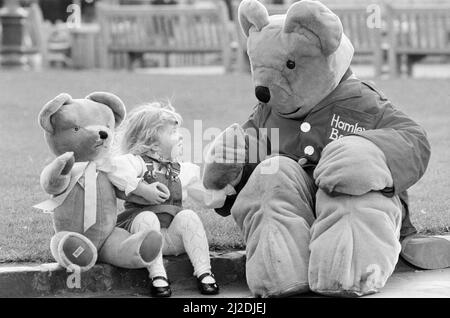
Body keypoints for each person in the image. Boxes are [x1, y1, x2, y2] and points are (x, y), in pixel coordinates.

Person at [106, 102, 234, 297]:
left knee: (189, 216)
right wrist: (143, 189)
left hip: (172, 238)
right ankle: (158, 276)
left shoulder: (182, 170)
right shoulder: (138, 163)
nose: (181, 136)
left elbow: (204, 194)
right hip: (143, 239)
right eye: (173, 133)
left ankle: (204, 272)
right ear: (154, 144)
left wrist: (225, 192)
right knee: (147, 217)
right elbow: (113, 170)